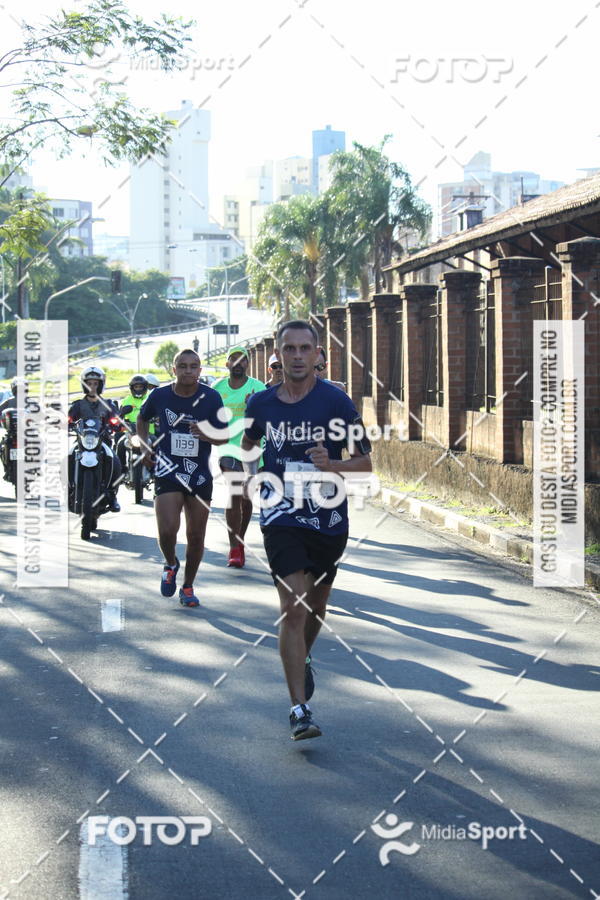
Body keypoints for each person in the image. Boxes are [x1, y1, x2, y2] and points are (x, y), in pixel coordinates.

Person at [241, 320, 372, 741]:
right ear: (277, 355)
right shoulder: (260, 405)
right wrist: (251, 478)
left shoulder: (336, 402)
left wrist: (332, 464)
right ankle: (299, 709)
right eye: (289, 349)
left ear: (318, 354)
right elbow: (247, 449)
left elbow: (365, 463)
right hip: (280, 514)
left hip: (328, 516)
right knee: (293, 608)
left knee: (316, 607)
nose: (297, 356)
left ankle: (304, 656)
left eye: (305, 348)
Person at [137, 348, 228, 607]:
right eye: (183, 366)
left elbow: (224, 436)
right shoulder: (160, 395)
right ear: (173, 369)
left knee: (196, 535)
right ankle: (170, 563)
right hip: (167, 469)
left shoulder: (211, 398)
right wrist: (145, 447)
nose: (189, 370)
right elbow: (142, 420)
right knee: (167, 531)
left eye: (194, 366)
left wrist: (206, 434)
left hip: (199, 475)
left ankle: (188, 587)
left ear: (200, 370)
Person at [213, 346, 266, 568]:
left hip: (253, 450)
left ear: (247, 364)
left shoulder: (258, 387)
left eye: (242, 359)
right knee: (235, 492)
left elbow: (267, 416)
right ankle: (234, 547)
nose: (238, 363)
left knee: (246, 498)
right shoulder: (217, 389)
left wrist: (255, 403)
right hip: (228, 450)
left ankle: (240, 540)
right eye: (233, 359)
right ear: (227, 364)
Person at [68, 365, 122, 512]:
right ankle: (68, 489)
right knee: (68, 455)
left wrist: (117, 424)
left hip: (102, 441)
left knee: (116, 461)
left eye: (95, 383)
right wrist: (64, 422)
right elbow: (69, 418)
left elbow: (116, 419)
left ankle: (111, 494)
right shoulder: (78, 405)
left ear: (101, 385)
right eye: (89, 383)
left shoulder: (109, 404)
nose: (92, 386)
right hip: (82, 442)